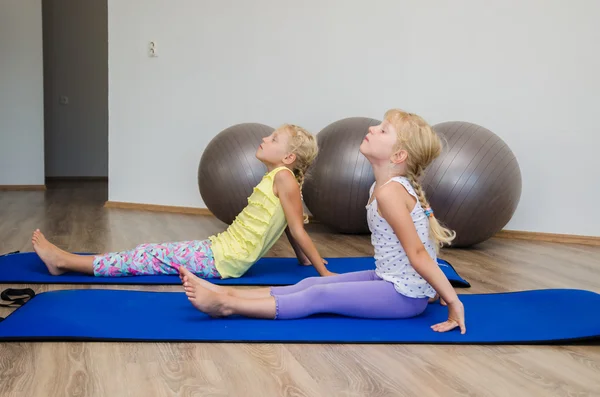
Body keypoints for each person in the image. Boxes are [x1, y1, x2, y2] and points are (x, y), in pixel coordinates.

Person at [178, 109, 466, 334]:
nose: (371, 129)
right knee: (311, 283)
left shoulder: (391, 192)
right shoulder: (384, 187)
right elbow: (422, 246)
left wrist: (451, 299)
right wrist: (434, 289)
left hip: (403, 296)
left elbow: (417, 252)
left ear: (398, 154)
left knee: (320, 295)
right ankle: (223, 291)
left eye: (382, 130)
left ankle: (227, 305)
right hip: (391, 282)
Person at [31, 124, 335, 279]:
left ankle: (63, 261)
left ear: (288, 157)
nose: (264, 139)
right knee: (148, 252)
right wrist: (304, 261)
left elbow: (296, 229)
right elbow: (287, 223)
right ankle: (66, 261)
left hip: (222, 260)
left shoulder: (283, 178)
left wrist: (323, 272)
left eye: (273, 139)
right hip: (219, 251)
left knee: (144, 257)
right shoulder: (280, 179)